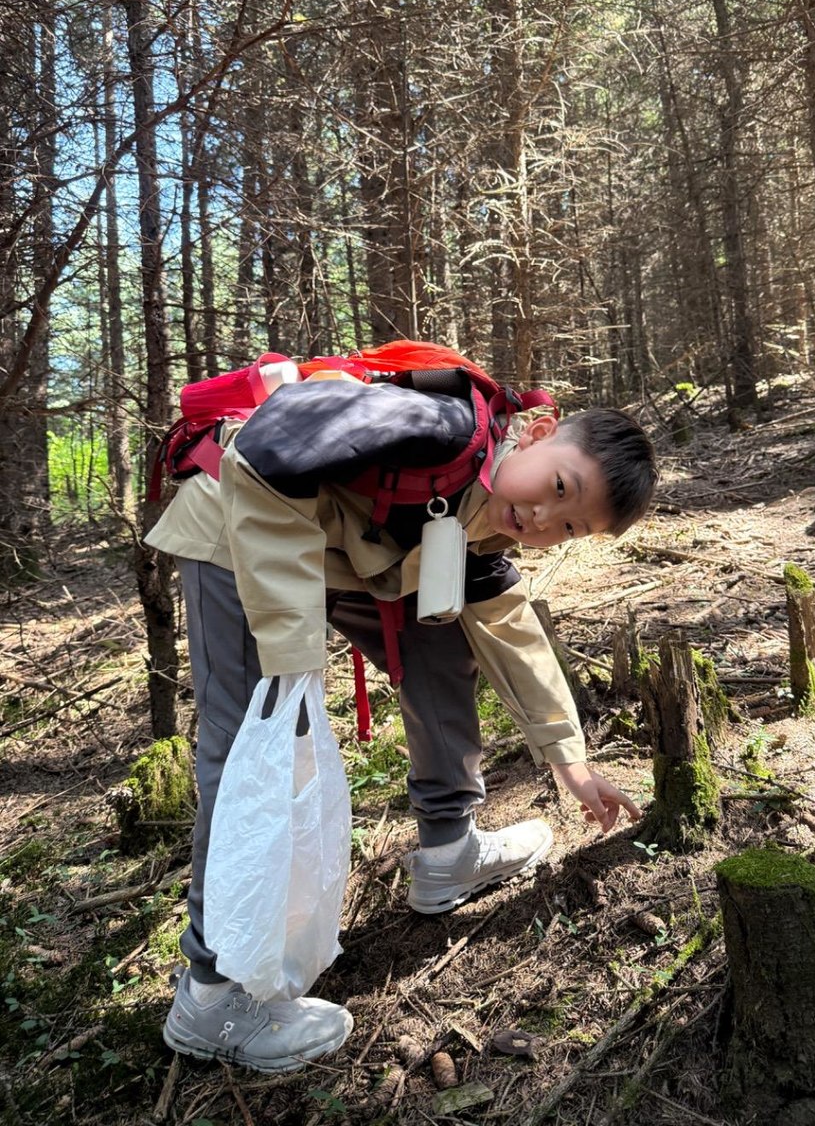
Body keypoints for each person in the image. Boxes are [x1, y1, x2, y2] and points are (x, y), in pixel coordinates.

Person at [146, 372, 657, 1072]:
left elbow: (510, 630)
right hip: (237, 523)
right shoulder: (440, 430)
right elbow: (269, 443)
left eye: (569, 526)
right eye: (559, 487)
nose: (543, 518)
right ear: (538, 434)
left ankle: (449, 852)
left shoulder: (490, 517)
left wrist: (570, 761)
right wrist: (293, 645)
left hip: (336, 550)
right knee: (253, 747)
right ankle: (210, 995)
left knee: (443, 641)